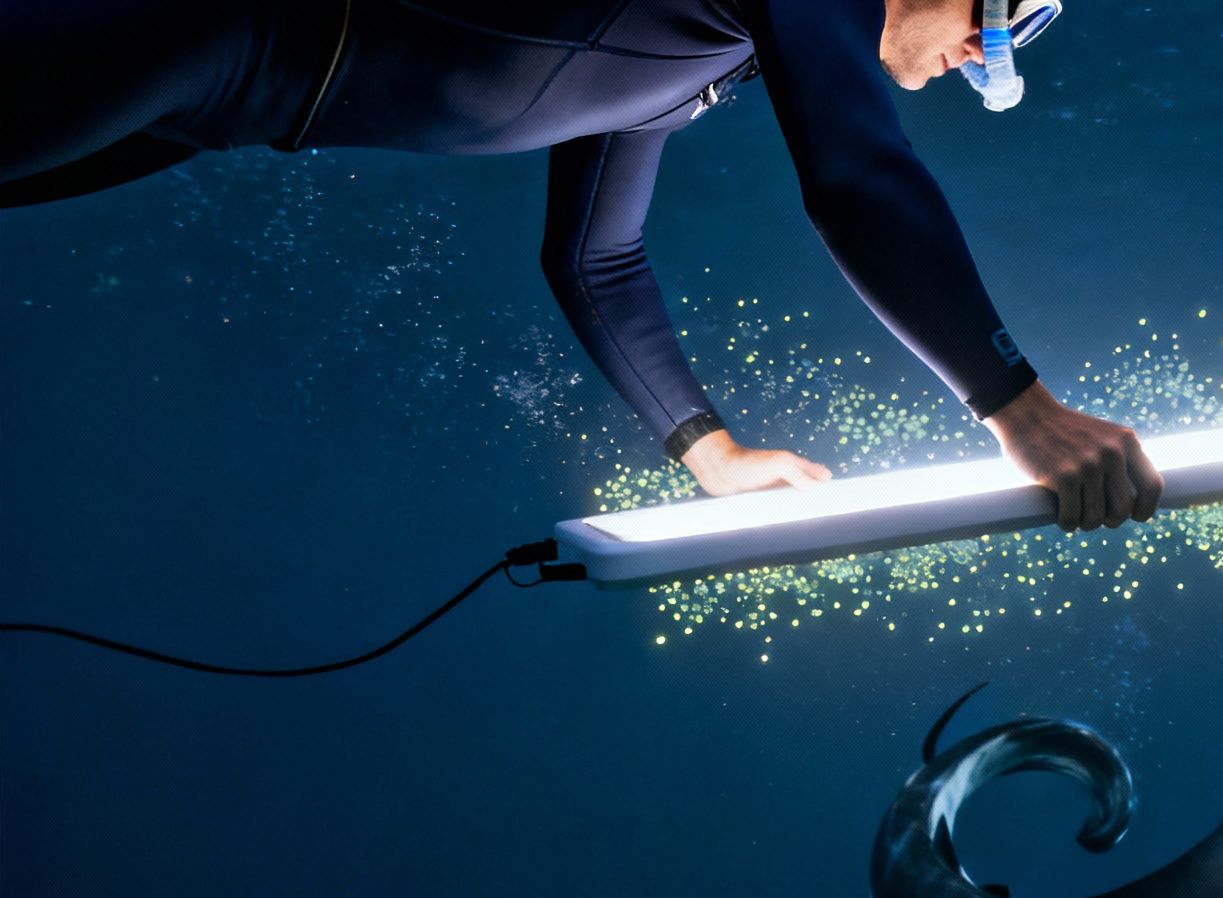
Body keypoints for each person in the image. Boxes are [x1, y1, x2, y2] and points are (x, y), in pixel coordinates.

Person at [0, 0, 1163, 532]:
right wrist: (1021, 409)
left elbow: (596, 255)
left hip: (216, 93)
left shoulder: (704, 42)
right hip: (196, 34)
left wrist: (710, 452)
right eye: (999, 9)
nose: (985, 45)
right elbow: (854, 176)